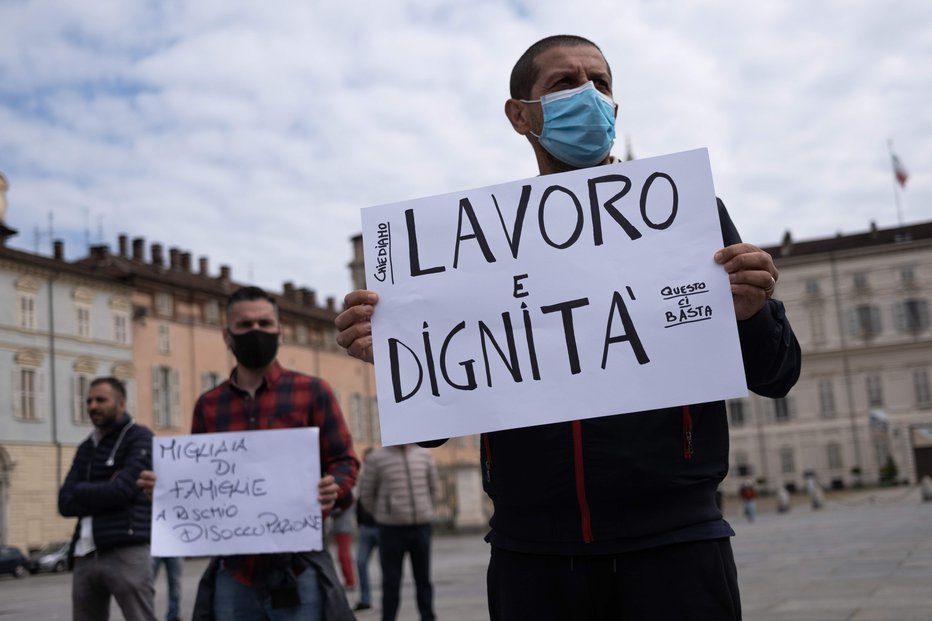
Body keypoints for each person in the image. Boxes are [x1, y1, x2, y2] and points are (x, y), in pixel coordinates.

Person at [335, 34, 801, 620]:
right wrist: (398, 355)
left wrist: (755, 312)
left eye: (600, 83)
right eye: (565, 83)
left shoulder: (690, 216)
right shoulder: (475, 249)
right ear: (520, 115)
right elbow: (430, 432)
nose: (589, 96)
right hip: (534, 558)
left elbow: (778, 374)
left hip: (678, 547)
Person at [140, 286, 359, 621]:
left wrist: (335, 486)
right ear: (227, 335)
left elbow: (344, 460)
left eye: (264, 323)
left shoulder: (313, 392)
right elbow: (201, 480)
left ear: (279, 332)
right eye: (245, 325)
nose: (256, 331)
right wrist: (168, 489)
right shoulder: (209, 405)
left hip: (298, 567)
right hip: (234, 573)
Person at [59, 376, 157, 621]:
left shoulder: (140, 438)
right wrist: (105, 488)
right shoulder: (86, 447)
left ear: (121, 404)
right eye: (89, 400)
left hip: (126, 549)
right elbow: (64, 502)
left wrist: (83, 489)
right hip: (85, 552)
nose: (93, 405)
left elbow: (123, 490)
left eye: (101, 400)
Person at [358, 444, 439, 621]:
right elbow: (367, 495)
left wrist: (426, 510)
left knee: (424, 579)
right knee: (391, 581)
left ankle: (428, 617)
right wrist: (384, 515)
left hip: (421, 527)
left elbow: (434, 488)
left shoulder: (424, 454)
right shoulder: (377, 458)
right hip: (391, 530)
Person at [353, 448, 380, 613]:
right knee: (361, 562)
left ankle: (388, 599)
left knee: (387, 566)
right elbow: (359, 502)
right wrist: (359, 521)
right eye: (366, 460)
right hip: (366, 528)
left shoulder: (384, 476)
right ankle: (365, 599)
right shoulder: (362, 480)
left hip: (382, 528)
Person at [329, 504, 357, 590]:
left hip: (343, 530)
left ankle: (350, 581)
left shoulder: (347, 500)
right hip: (341, 529)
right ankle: (349, 580)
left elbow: (336, 511)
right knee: (343, 556)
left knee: (343, 556)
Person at [151, 555, 183, 621]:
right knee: (147, 584)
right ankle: (146, 614)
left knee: (175, 583)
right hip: (155, 548)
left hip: (173, 549)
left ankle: (173, 616)